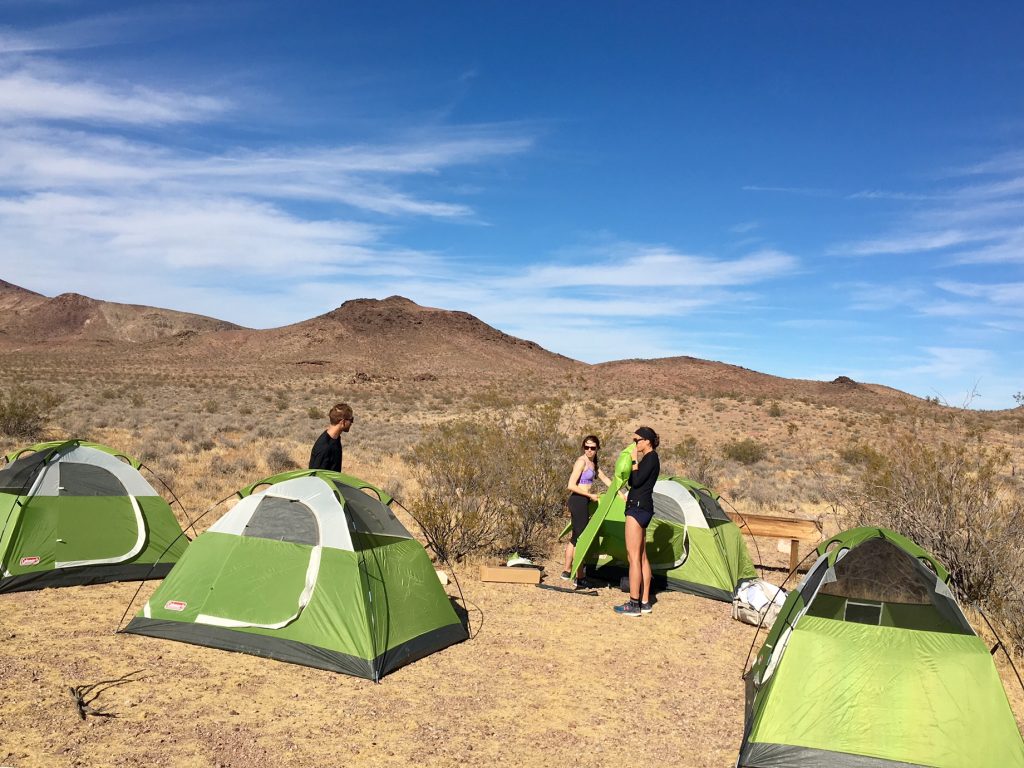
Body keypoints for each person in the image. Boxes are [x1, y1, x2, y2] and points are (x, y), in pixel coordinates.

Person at [615, 426, 660, 617]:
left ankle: (634, 603)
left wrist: (633, 460)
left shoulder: (650, 458)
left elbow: (636, 480)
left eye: (637, 440)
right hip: (643, 506)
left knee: (632, 556)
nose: (635, 444)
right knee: (641, 556)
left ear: (647, 441)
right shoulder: (651, 459)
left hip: (637, 508)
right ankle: (645, 601)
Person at [562, 435, 612, 586]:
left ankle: (566, 571)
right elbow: (571, 485)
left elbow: (605, 478)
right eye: (587, 447)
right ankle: (580, 576)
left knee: (575, 537)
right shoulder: (581, 462)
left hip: (583, 501)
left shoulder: (593, 464)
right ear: (583, 447)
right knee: (582, 538)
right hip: (578, 500)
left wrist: (620, 493)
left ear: (597, 449)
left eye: (593, 448)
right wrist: (589, 495)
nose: (589, 450)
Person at [308, 403, 354, 472]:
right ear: (343, 422)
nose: (351, 423)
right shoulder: (325, 447)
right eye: (351, 420)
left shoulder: (336, 439)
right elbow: (317, 477)